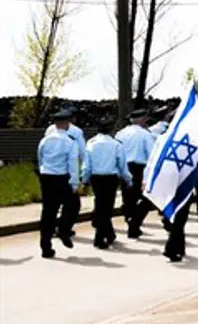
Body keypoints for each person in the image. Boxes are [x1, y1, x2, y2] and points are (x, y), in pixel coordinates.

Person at [81, 118, 132, 249]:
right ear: (111, 129)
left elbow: (86, 166)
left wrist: (84, 181)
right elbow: (122, 165)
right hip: (110, 179)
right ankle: (99, 238)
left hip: (96, 178)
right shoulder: (116, 145)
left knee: (100, 204)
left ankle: (109, 234)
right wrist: (128, 180)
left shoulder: (91, 143)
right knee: (106, 209)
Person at [37, 110, 80, 258]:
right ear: (66, 123)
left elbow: (40, 158)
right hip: (62, 178)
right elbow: (72, 163)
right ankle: (64, 229)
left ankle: (45, 245)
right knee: (73, 206)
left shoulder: (45, 140)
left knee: (48, 212)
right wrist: (74, 183)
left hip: (46, 177)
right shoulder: (70, 141)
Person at [45, 105, 86, 236]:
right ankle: (64, 229)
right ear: (72, 118)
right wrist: (83, 174)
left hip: (48, 172)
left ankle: (50, 230)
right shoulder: (77, 132)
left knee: (51, 205)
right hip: (66, 173)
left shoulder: (50, 129)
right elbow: (82, 153)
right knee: (73, 205)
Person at [115, 108, 155, 238]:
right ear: (142, 119)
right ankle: (134, 223)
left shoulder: (120, 133)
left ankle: (130, 220)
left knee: (128, 198)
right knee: (146, 198)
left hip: (124, 166)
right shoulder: (145, 134)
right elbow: (151, 154)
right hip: (139, 168)